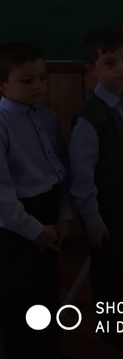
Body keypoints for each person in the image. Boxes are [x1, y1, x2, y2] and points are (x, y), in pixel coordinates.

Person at [69, 29, 123, 351]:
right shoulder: (90, 118)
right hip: (107, 205)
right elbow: (82, 179)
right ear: (92, 70)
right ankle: (115, 331)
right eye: (110, 62)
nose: (121, 68)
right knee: (109, 270)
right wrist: (92, 221)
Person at [0, 42, 71, 359]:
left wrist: (64, 216)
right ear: (2, 84)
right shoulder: (2, 124)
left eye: (42, 78)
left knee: (47, 289)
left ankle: (48, 349)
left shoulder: (48, 118)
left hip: (48, 210)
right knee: (20, 294)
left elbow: (60, 170)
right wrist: (35, 230)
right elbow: (2, 196)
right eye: (27, 80)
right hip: (17, 223)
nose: (38, 86)